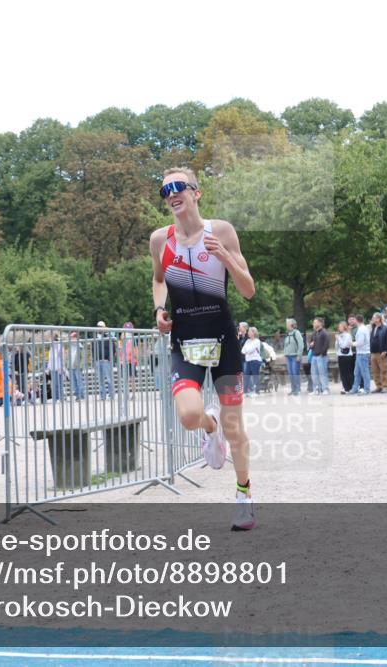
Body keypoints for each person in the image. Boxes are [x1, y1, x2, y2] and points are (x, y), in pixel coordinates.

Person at [150, 166, 256, 530]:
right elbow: (159, 279)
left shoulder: (221, 230)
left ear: (197, 193)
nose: (172, 194)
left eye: (179, 187)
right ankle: (208, 429)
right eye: (165, 190)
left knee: (236, 428)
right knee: (189, 416)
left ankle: (244, 495)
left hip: (224, 340)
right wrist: (160, 309)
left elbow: (248, 290)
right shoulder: (160, 240)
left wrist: (225, 256)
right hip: (186, 341)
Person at [349, 314, 372, 395]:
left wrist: (352, 343)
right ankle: (355, 388)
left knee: (364, 372)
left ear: (356, 320)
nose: (352, 321)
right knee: (357, 372)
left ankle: (367, 389)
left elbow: (360, 342)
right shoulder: (362, 328)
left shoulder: (362, 329)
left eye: (354, 319)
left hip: (363, 353)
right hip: (360, 353)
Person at [369, 312, 387, 393]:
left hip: (381, 353)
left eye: (373, 318)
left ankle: (386, 386)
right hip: (373, 353)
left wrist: (385, 351)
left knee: (384, 370)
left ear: (378, 319)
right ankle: (379, 386)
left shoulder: (385, 328)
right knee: (375, 371)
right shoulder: (373, 327)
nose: (372, 319)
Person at [93, 322, 115, 400]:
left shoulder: (108, 336)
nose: (99, 328)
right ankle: (102, 395)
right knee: (100, 380)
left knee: (109, 379)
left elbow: (112, 348)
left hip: (106, 360)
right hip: (98, 360)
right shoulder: (94, 337)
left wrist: (109, 358)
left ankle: (111, 395)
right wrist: (95, 359)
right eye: (98, 326)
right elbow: (93, 349)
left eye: (101, 326)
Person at [308, 317, 330, 395]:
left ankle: (325, 389)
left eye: (315, 322)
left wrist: (322, 353)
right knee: (314, 373)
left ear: (320, 323)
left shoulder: (324, 332)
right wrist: (311, 345)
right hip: (314, 356)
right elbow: (311, 343)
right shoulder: (314, 333)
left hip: (321, 356)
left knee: (322, 373)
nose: (313, 324)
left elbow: (326, 344)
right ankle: (316, 389)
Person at [282, 318, 305, 396]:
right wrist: (285, 353)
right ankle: (293, 389)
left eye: (287, 323)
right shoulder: (288, 334)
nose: (286, 324)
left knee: (295, 373)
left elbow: (301, 345)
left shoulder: (296, 333)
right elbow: (286, 345)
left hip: (295, 356)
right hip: (288, 357)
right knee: (291, 374)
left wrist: (299, 355)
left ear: (291, 324)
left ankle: (297, 389)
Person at [241, 326, 263, 397]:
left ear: (253, 333)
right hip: (248, 360)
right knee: (246, 376)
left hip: (255, 360)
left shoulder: (257, 341)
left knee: (255, 376)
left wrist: (247, 350)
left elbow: (249, 350)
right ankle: (245, 392)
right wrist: (247, 350)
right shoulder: (248, 341)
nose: (248, 333)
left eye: (249, 331)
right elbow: (242, 351)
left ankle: (257, 392)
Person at [334, 321, 355, 394]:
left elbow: (343, 345)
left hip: (347, 356)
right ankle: (345, 387)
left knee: (347, 372)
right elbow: (337, 346)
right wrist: (337, 340)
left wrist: (338, 339)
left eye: (340, 326)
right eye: (338, 327)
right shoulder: (339, 335)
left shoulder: (347, 335)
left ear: (344, 327)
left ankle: (349, 387)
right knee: (342, 372)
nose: (339, 328)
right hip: (340, 355)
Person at [67, 331, 86, 401]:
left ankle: (81, 395)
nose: (71, 339)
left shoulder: (80, 346)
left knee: (79, 381)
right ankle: (77, 395)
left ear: (76, 338)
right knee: (74, 382)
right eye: (71, 337)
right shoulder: (70, 346)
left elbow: (83, 357)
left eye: (72, 337)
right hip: (71, 367)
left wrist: (80, 365)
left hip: (77, 367)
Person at [47, 333, 65, 402]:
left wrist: (62, 367)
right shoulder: (51, 348)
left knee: (59, 384)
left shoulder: (59, 347)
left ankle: (60, 397)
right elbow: (50, 359)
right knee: (54, 384)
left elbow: (62, 358)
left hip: (58, 367)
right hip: (52, 368)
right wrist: (48, 368)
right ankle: (55, 398)